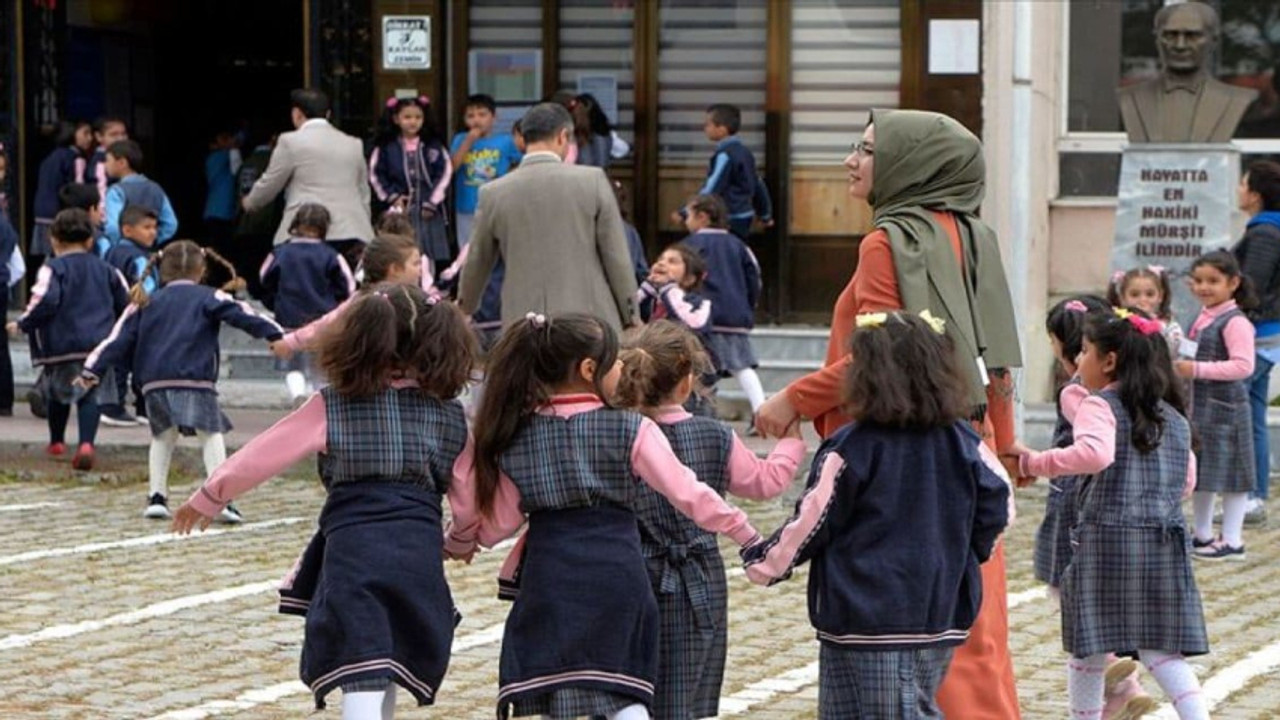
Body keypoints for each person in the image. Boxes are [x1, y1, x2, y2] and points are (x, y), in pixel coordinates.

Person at [754, 109, 1023, 719]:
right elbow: (996, 355)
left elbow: (880, 356)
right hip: (967, 441)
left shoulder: (888, 241)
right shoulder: (975, 235)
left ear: (911, 163)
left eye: (869, 150)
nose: (851, 160)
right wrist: (1004, 443)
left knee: (913, 615)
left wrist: (793, 398)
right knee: (974, 622)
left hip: (897, 451)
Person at [173, 285, 478, 719]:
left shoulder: (333, 404)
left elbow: (265, 453)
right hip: (417, 549)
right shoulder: (450, 415)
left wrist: (210, 496)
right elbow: (468, 495)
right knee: (391, 649)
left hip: (354, 547)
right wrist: (461, 540)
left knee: (360, 650)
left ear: (359, 338)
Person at [447, 313, 763, 720]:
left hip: (549, 580)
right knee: (622, 687)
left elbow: (498, 525)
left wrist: (458, 541)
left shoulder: (517, 436)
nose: (622, 369)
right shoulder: (632, 429)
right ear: (588, 369)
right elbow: (689, 493)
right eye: (615, 362)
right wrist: (744, 531)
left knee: (557, 685)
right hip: (618, 577)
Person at [744, 312, 1010, 720]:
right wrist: (966, 552)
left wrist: (767, 562)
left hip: (865, 615)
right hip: (938, 610)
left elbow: (813, 520)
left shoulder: (850, 448)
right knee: (911, 700)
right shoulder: (965, 443)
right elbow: (1000, 504)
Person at [1010, 309, 1210, 720]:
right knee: (1161, 650)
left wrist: (1033, 462)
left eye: (1085, 351)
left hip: (1108, 542)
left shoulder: (1099, 405)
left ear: (1109, 361)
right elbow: (1187, 481)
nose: (1078, 359)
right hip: (1164, 544)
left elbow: (1095, 454)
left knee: (1088, 647)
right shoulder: (1172, 416)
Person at [615, 320, 805, 719]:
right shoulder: (716, 435)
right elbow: (765, 482)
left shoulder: (618, 434)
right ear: (687, 383)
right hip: (698, 577)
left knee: (626, 681)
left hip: (630, 570)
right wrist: (791, 441)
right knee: (687, 686)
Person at [82, 240, 278, 522]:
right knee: (210, 433)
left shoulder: (145, 301)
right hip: (195, 377)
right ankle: (219, 498)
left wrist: (92, 369)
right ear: (202, 270)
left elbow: (117, 339)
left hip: (154, 382)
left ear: (161, 270)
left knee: (163, 436)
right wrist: (277, 335)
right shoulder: (211, 297)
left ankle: (157, 497)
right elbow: (245, 316)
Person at [1033, 296, 1159, 719]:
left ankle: (1112, 666)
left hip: (1075, 501)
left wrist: (1033, 461)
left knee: (1064, 587)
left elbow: (1093, 445)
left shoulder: (1079, 394)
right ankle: (1123, 689)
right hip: (1111, 501)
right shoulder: (1130, 393)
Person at [458, 103, 638, 332]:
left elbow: (477, 260)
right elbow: (616, 257)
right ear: (563, 136)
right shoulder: (593, 180)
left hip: (523, 321)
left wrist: (465, 308)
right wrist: (631, 314)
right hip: (588, 319)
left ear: (522, 138)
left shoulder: (492, 193)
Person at [6, 209, 129, 470]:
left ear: (53, 239)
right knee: (89, 394)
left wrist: (23, 323)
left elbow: (44, 299)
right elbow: (126, 303)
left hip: (61, 345)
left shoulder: (53, 269)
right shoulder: (108, 270)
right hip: (97, 347)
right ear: (90, 240)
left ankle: (57, 441)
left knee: (57, 393)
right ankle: (86, 444)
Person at [1172, 251, 1257, 561]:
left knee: (1234, 475)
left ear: (1233, 283)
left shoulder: (1235, 322)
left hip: (1227, 409)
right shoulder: (1203, 315)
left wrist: (1196, 369)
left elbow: (1243, 366)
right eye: (1198, 280)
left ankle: (1233, 540)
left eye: (1213, 281)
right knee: (1203, 472)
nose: (1203, 287)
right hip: (1202, 410)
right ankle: (1202, 533)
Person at [243, 88, 375, 269]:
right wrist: (363, 222)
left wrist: (250, 202)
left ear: (296, 114)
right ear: (328, 114)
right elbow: (363, 191)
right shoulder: (353, 143)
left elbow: (271, 181)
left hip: (305, 230)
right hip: (351, 231)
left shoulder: (290, 141)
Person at [678, 194, 766, 427]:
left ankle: (701, 418)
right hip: (734, 316)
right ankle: (761, 413)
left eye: (688, 215)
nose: (686, 220)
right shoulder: (738, 245)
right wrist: (747, 306)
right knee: (742, 366)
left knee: (700, 369)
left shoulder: (688, 246)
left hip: (698, 316)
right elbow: (754, 279)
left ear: (702, 217)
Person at [1116, 2, 1257, 144]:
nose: (1180, 45)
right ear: (1157, 40)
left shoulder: (1237, 99)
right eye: (1170, 35)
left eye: (1192, 36)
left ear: (1213, 41)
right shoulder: (1129, 98)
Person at [259, 204, 356, 403]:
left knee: (293, 366)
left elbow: (264, 278)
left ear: (295, 224)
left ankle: (298, 395)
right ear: (324, 227)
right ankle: (320, 402)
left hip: (288, 318)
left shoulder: (280, 252)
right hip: (323, 322)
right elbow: (348, 286)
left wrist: (275, 301)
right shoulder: (331, 255)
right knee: (321, 367)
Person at [272, 233, 422, 360]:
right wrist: (291, 341)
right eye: (416, 264)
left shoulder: (422, 300)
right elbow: (326, 325)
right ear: (395, 269)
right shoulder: (362, 301)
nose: (421, 270)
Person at [1232, 159, 1280, 525]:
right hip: (1265, 335)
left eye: (1243, 183)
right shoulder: (1265, 229)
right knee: (1252, 416)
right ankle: (1253, 497)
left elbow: (1252, 287)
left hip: (1259, 335)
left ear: (1256, 194)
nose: (1238, 189)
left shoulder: (1264, 233)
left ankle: (1249, 497)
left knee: (1242, 418)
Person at [370, 96, 454, 266]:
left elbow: (445, 172)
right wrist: (392, 197)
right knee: (400, 250)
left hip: (428, 208)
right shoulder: (386, 146)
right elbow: (375, 174)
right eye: (407, 117)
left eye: (418, 117)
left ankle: (429, 280)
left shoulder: (433, 145)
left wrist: (432, 201)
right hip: (399, 209)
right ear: (396, 119)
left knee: (428, 254)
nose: (413, 122)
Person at [99, 205, 162, 426]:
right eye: (147, 227)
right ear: (127, 229)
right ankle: (127, 407)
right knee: (141, 364)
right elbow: (148, 288)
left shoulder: (111, 252)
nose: (153, 232)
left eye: (154, 227)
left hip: (114, 316)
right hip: (138, 317)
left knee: (119, 362)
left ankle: (117, 404)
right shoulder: (139, 258)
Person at [672, 104, 772, 241]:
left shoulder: (725, 155)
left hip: (728, 216)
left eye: (708, 125)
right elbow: (757, 183)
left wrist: (686, 211)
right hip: (745, 215)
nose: (705, 129)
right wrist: (765, 214)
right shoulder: (745, 152)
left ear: (722, 129)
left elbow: (712, 187)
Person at [450, 94, 522, 250]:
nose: (476, 120)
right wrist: (468, 141)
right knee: (468, 248)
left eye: (482, 115)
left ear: (494, 117)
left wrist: (508, 176)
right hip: (467, 205)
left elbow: (521, 163)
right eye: (470, 116)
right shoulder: (460, 139)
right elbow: (453, 167)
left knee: (497, 246)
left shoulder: (506, 141)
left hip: (497, 204)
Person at [30, 120, 92, 263]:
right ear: (71, 134)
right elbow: (78, 189)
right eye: (85, 133)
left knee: (50, 254)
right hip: (59, 212)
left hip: (42, 212)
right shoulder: (75, 158)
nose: (90, 138)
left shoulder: (52, 156)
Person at [102, 139, 179, 248]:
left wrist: (118, 247)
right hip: (149, 252)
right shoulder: (156, 188)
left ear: (122, 163)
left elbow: (113, 228)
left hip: (124, 251)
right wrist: (151, 239)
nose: (105, 165)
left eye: (107, 160)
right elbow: (171, 224)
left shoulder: (116, 191)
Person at [235, 134, 282, 298]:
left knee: (247, 260)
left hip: (244, 221)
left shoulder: (247, 162)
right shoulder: (271, 161)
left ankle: (245, 292)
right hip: (266, 221)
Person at [1108, 266, 1183, 351]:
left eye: (1150, 294)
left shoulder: (1170, 328)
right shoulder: (1116, 325)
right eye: (1134, 295)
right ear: (1122, 298)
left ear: (1160, 296)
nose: (1143, 300)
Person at [203, 130, 242, 259]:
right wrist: (234, 144)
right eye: (224, 139)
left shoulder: (213, 159)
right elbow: (238, 169)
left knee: (216, 251)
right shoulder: (222, 156)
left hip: (213, 211)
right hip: (223, 213)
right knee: (224, 251)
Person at [84, 116, 128, 203]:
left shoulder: (125, 156)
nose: (121, 139)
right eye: (114, 135)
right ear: (99, 137)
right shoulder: (99, 160)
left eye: (123, 134)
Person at [570, 93, 614, 169]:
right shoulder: (579, 131)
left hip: (591, 173)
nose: (574, 112)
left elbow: (601, 162)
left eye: (576, 108)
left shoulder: (598, 134)